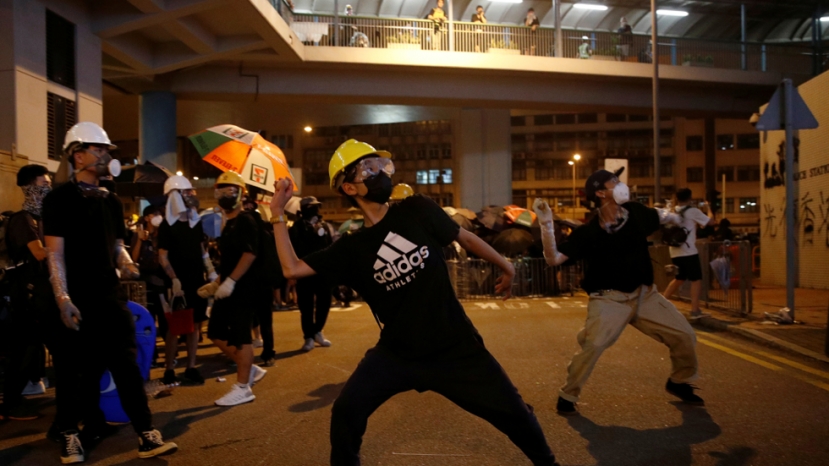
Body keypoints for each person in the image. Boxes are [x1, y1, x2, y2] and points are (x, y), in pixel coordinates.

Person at [269, 139, 560, 466]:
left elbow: (464, 237)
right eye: (368, 168)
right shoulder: (352, 249)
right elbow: (290, 268)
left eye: (381, 166)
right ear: (349, 187)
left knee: (516, 415)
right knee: (346, 411)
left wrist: (505, 265)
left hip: (456, 348)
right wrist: (277, 214)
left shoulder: (417, 210)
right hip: (397, 354)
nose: (380, 173)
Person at [43, 122, 177, 463]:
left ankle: (146, 432)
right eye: (98, 149)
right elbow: (55, 254)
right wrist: (63, 298)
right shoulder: (58, 199)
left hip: (110, 297)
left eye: (106, 150)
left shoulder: (111, 201)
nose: (105, 155)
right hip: (75, 300)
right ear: (78, 155)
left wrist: (129, 261)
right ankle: (71, 435)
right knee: (75, 372)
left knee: (126, 366)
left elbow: (117, 246)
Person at [532, 169, 703, 416]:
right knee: (594, 345)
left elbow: (662, 216)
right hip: (609, 298)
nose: (622, 185)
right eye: (615, 182)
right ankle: (568, 394)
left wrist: (677, 220)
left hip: (646, 296)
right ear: (601, 193)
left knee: (685, 335)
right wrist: (547, 225)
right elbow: (554, 259)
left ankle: (679, 382)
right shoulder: (588, 232)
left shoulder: (636, 213)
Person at [198, 172, 268, 406]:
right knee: (216, 331)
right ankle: (250, 369)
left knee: (241, 337)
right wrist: (218, 283)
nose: (225, 195)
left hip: (244, 287)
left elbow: (249, 254)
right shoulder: (228, 224)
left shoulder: (246, 220)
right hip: (229, 287)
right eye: (221, 190)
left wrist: (231, 281)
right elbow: (230, 259)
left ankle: (243, 387)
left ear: (241, 194)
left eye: (231, 190)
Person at [1, 165, 52, 421]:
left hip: (37, 294)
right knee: (24, 349)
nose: (48, 188)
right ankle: (10, 403)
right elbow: (40, 252)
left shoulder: (40, 218)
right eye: (44, 184)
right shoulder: (23, 219)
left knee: (32, 347)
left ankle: (19, 395)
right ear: (30, 187)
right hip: (24, 296)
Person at [157, 175, 214, 385]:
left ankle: (190, 367)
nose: (191, 195)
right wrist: (174, 279)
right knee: (175, 327)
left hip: (196, 280)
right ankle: (169, 368)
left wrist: (211, 272)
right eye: (186, 192)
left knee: (195, 326)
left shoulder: (195, 222)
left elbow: (202, 251)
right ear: (175, 196)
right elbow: (162, 256)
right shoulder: (166, 226)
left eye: (191, 192)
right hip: (177, 283)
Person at [289, 196, 334, 352]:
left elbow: (330, 247)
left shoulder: (324, 225)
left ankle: (317, 331)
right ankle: (308, 337)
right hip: (304, 271)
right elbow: (295, 249)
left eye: (316, 206)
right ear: (304, 210)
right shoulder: (296, 227)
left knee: (325, 302)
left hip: (322, 271)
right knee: (306, 306)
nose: (315, 210)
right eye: (311, 207)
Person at [662, 189, 715, 319]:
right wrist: (708, 208)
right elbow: (710, 222)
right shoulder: (692, 211)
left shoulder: (672, 211)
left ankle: (661, 303)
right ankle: (695, 309)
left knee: (679, 278)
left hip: (674, 251)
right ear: (690, 198)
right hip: (689, 251)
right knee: (696, 280)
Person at [132, 205, 167, 367]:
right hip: (145, 282)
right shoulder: (139, 235)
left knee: (165, 319)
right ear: (147, 218)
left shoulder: (163, 235)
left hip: (162, 280)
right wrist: (140, 239)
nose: (158, 216)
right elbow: (134, 258)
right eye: (155, 214)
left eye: (160, 214)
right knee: (149, 319)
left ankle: (169, 353)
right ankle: (151, 355)